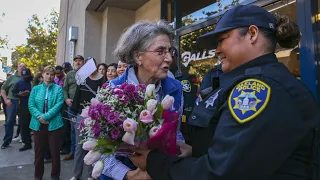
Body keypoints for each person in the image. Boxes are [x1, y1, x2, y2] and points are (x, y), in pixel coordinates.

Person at [130, 5, 320, 180]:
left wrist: (154, 162)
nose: (217, 50)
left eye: (222, 40)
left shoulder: (259, 88)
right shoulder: (252, 81)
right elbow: (244, 152)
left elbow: (220, 172)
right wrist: (194, 150)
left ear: (252, 34)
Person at [99, 20, 185, 180]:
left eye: (170, 51)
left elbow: (176, 133)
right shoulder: (111, 89)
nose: (169, 59)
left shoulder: (176, 88)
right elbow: (99, 149)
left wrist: (176, 157)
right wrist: (129, 175)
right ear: (137, 56)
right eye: (160, 51)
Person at [70, 58, 104, 180]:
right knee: (79, 146)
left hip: (96, 117)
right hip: (81, 116)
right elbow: (77, 96)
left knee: (93, 146)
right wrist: (74, 114)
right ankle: (76, 175)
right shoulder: (82, 79)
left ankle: (91, 175)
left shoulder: (102, 79)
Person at [28, 66, 64, 180]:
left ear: (54, 76)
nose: (49, 76)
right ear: (42, 74)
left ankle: (55, 175)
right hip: (38, 124)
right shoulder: (35, 89)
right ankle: (38, 176)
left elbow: (59, 105)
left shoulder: (58, 89)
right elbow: (31, 105)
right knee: (38, 153)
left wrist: (46, 116)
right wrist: (40, 117)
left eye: (52, 74)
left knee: (55, 152)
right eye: (47, 74)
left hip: (54, 125)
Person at [170, 48, 197, 145]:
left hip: (181, 126)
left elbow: (188, 105)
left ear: (175, 58)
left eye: (171, 56)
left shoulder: (182, 78)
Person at [63, 55, 85, 161]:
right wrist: (66, 99)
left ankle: (83, 152)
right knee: (73, 130)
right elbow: (65, 89)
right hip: (72, 107)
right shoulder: (69, 75)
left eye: (80, 60)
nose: (78, 62)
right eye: (76, 61)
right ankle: (73, 152)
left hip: (83, 107)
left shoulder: (87, 74)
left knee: (84, 130)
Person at [1, 63, 26, 149]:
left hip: (23, 101)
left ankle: (24, 140)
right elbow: (3, 89)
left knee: (23, 121)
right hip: (12, 101)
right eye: (20, 66)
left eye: (24, 66)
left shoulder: (27, 77)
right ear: (17, 68)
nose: (22, 68)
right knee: (9, 121)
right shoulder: (12, 78)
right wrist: (6, 100)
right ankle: (6, 141)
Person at [12, 67, 33, 151]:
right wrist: (19, 94)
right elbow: (14, 92)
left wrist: (30, 93)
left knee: (35, 125)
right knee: (24, 125)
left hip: (34, 106)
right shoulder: (19, 83)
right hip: (23, 106)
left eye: (27, 76)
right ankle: (27, 143)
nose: (25, 78)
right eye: (24, 76)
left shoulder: (34, 82)